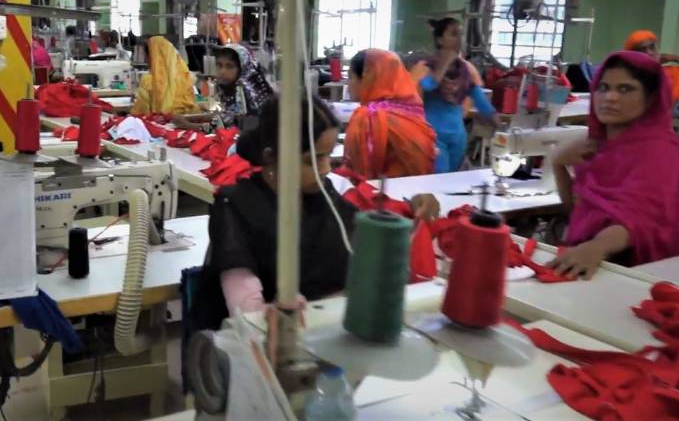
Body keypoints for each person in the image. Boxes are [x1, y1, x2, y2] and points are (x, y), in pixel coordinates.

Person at [199, 96, 439, 327]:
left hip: (320, 329)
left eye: (327, 156)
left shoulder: (322, 193)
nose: (324, 169)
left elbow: (362, 238)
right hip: (256, 347)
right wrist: (278, 313)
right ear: (271, 156)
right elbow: (248, 312)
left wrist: (410, 209)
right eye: (311, 160)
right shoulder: (235, 206)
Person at [548, 51, 679, 279]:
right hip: (595, 265)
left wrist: (596, 247)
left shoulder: (663, 154)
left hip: (638, 277)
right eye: (603, 87)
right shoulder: (598, 146)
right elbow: (577, 212)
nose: (610, 97)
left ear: (651, 98)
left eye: (625, 89)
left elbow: (642, 221)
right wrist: (559, 163)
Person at [416, 18, 497, 173]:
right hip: (434, 137)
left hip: (458, 137)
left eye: (461, 34)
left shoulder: (465, 70)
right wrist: (445, 62)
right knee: (440, 181)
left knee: (452, 183)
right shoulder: (426, 66)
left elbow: (479, 98)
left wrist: (498, 123)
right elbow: (427, 85)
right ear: (440, 40)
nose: (460, 38)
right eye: (454, 34)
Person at [345, 49, 437, 178]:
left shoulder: (368, 117)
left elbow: (357, 172)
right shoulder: (413, 110)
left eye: (350, 76)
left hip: (381, 193)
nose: (347, 84)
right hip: (417, 192)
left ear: (367, 77)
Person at [624, 29, 679, 101]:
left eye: (652, 47)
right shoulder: (628, 78)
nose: (649, 52)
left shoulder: (672, 73)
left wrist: (673, 58)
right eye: (643, 49)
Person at [130, 35, 200, 116]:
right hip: (187, 121)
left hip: (162, 124)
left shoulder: (148, 81)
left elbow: (141, 112)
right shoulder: (185, 77)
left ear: (152, 55)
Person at [214, 44, 274, 118]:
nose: (222, 71)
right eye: (219, 65)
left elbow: (241, 122)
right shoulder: (224, 87)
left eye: (229, 66)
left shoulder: (246, 91)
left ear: (242, 68)